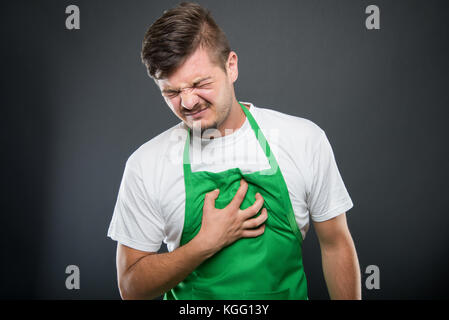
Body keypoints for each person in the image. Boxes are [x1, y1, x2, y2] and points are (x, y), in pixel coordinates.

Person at [107, 2, 361, 300]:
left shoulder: (304, 139)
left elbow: (335, 244)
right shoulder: (146, 164)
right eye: (172, 92)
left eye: (199, 83)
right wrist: (204, 244)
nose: (188, 103)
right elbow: (131, 286)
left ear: (231, 66)